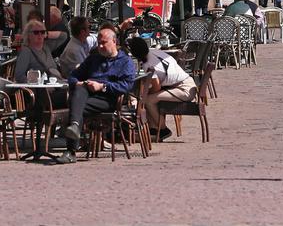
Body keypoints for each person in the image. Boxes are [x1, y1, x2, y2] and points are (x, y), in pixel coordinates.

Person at [57, 28, 136, 164]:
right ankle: (75, 127)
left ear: (114, 41)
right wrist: (78, 83)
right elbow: (73, 76)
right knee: (79, 92)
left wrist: (103, 87)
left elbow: (127, 86)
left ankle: (71, 150)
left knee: (75, 107)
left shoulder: (125, 61)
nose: (100, 46)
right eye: (98, 43)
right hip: (88, 95)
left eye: (104, 43)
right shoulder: (93, 58)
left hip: (109, 99)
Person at [127, 37, 196, 141]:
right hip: (186, 84)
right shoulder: (154, 52)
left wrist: (143, 94)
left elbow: (156, 87)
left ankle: (163, 130)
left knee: (149, 100)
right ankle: (154, 129)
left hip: (184, 89)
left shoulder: (148, 64)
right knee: (149, 98)